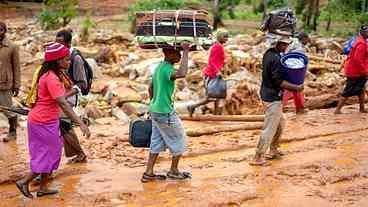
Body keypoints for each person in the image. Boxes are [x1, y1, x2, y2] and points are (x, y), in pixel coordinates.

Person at [15, 42, 91, 198]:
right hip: (42, 121)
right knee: (47, 155)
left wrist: (75, 90)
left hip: (45, 120)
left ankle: (43, 188)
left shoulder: (53, 75)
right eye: (66, 59)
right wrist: (81, 123)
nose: (68, 62)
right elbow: (62, 102)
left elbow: (60, 95)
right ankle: (24, 182)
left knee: (51, 153)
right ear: (57, 61)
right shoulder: (52, 78)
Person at [250, 36, 304, 166]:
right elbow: (278, 81)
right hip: (272, 97)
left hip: (267, 93)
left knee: (281, 123)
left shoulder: (269, 53)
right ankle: (258, 156)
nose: (286, 47)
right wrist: (296, 87)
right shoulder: (275, 59)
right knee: (270, 127)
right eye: (284, 44)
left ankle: (273, 150)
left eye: (286, 44)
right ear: (279, 44)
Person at [142, 42, 191, 183]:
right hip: (164, 112)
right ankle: (174, 171)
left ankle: (149, 172)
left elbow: (150, 88)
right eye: (178, 52)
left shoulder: (159, 67)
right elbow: (182, 73)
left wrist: (153, 103)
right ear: (168, 53)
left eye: (181, 53)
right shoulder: (167, 69)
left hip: (156, 110)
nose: (180, 55)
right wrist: (187, 50)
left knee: (156, 141)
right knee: (179, 139)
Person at [55, 29, 88, 163]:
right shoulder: (58, 56)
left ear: (68, 44)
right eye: (56, 42)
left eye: (61, 43)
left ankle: (80, 153)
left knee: (64, 125)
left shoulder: (76, 58)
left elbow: (82, 83)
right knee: (63, 126)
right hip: (60, 95)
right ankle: (78, 153)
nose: (57, 45)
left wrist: (63, 95)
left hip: (68, 96)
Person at [187, 31, 229, 116]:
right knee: (211, 97)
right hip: (211, 74)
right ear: (219, 37)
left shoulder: (218, 46)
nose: (226, 39)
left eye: (227, 37)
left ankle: (216, 116)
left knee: (217, 96)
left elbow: (217, 60)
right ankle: (192, 106)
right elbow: (211, 61)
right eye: (224, 37)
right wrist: (217, 71)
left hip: (215, 73)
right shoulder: (217, 47)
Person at [335, 25, 368, 114]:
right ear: (363, 33)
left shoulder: (360, 40)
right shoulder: (362, 44)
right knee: (348, 90)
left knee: (362, 88)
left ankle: (362, 108)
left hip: (356, 69)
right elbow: (358, 60)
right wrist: (365, 71)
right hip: (355, 71)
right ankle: (337, 110)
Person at [0, 22, 20, 142]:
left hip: (5, 83)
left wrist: (16, 85)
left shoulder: (12, 47)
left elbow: (16, 67)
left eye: (1, 30)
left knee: (8, 109)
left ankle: (13, 132)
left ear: (5, 31)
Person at [283, 32, 311, 114]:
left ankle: (299, 109)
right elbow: (298, 61)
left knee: (294, 90)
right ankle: (280, 108)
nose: (308, 41)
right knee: (292, 89)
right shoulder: (299, 48)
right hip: (295, 71)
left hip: (288, 69)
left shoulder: (294, 44)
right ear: (303, 39)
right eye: (307, 39)